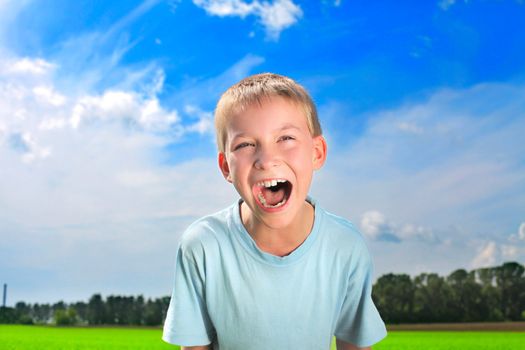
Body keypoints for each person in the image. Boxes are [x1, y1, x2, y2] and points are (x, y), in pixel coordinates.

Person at [162, 73, 387, 350]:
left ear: (317, 152)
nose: (267, 160)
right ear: (225, 167)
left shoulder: (345, 245)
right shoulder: (203, 245)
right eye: (245, 144)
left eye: (286, 138)